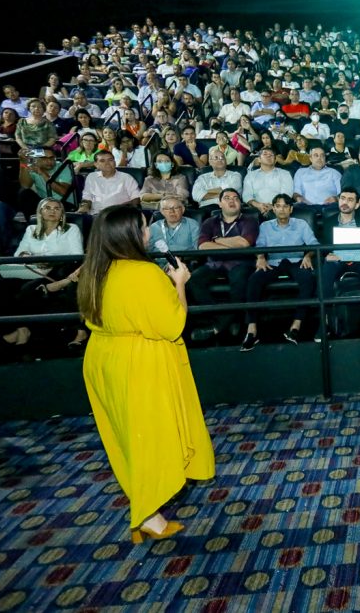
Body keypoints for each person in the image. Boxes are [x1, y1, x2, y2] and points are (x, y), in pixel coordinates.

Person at [78, 205, 214, 543]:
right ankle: (146, 513)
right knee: (152, 437)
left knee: (127, 438)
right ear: (129, 234)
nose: (149, 232)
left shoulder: (95, 270)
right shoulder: (144, 273)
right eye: (143, 226)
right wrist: (179, 283)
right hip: (140, 361)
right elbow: (172, 325)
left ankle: (149, 514)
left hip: (103, 358)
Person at [0, 198, 85, 351]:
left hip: (55, 269)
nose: (52, 211)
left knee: (28, 289)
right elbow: (18, 253)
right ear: (40, 212)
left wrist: (50, 262)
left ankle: (23, 330)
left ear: (62, 213)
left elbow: (76, 256)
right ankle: (17, 328)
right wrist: (25, 255)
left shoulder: (71, 229)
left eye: (56, 208)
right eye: (47, 208)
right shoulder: (31, 229)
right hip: (30, 268)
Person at [242, 194, 318, 349]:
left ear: (291, 209)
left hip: (296, 261)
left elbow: (313, 243)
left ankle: (295, 327)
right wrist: (261, 257)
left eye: (285, 206)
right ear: (273, 208)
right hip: (273, 262)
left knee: (307, 278)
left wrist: (308, 255)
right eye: (278, 206)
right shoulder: (265, 226)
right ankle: (251, 329)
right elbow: (260, 246)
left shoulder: (301, 224)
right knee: (254, 279)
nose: (281, 209)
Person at [188, 189, 259, 341]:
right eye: (227, 198)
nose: (232, 201)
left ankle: (218, 327)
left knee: (240, 281)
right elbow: (202, 246)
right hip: (215, 262)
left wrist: (217, 240)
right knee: (193, 280)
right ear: (220, 203)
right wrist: (231, 244)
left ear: (241, 203)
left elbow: (245, 242)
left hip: (240, 262)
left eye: (236, 198)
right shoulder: (210, 222)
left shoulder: (249, 220)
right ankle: (226, 320)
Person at [317, 187, 360, 341]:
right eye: (343, 198)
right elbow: (322, 248)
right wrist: (327, 255)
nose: (345, 202)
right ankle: (325, 321)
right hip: (338, 260)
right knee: (325, 270)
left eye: (350, 199)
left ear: (357, 205)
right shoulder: (329, 222)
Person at [78, 151, 141, 216]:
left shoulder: (126, 177)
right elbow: (87, 197)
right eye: (102, 161)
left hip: (118, 216)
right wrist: (84, 207)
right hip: (95, 215)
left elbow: (136, 199)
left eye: (110, 160)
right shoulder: (92, 177)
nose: (107, 163)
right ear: (96, 165)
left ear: (115, 162)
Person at [147, 197, 201, 268]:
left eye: (175, 208)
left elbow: (197, 251)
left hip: (183, 264)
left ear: (183, 209)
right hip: (157, 265)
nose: (171, 211)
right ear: (162, 211)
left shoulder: (193, 225)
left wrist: (181, 258)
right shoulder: (154, 227)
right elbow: (148, 250)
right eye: (166, 209)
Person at [242, 147, 294, 215]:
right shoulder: (250, 175)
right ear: (259, 159)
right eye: (265, 154)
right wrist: (258, 205)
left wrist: (273, 206)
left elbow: (287, 194)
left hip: (278, 209)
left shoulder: (285, 174)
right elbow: (246, 195)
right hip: (256, 209)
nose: (268, 156)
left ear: (275, 160)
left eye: (271, 155)